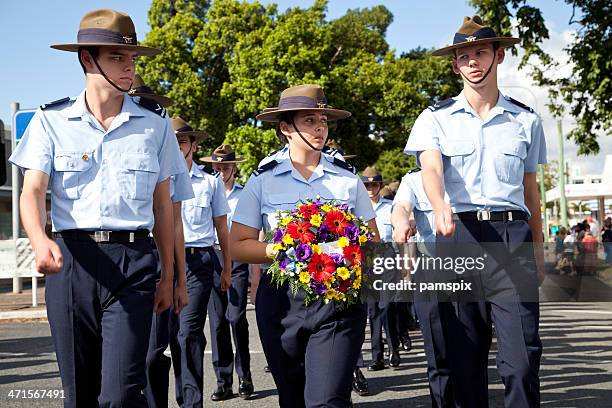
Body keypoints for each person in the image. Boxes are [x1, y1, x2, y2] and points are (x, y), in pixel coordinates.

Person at [9, 9, 187, 406]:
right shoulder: (50, 120)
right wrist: (39, 241)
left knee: (122, 394)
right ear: (87, 59)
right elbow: (32, 191)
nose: (129, 67)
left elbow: (164, 208)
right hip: (73, 262)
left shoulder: (154, 126)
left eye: (133, 58)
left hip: (134, 262)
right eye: (117, 58)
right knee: (80, 393)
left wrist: (170, 278)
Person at [404, 15, 546, 407]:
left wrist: (538, 248)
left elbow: (531, 191)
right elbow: (430, 168)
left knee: (521, 360)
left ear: (498, 56)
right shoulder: (434, 118)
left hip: (512, 238)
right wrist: (439, 204)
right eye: (463, 56)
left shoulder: (526, 120)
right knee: (464, 359)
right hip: (458, 237)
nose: (472, 62)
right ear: (454, 65)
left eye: (480, 52)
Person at [230, 84, 379, 407]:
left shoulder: (346, 178)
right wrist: (286, 250)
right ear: (286, 128)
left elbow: (372, 241)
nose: (320, 127)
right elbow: (238, 244)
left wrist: (347, 256)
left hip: (338, 299)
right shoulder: (263, 179)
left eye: (323, 120)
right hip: (282, 299)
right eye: (309, 120)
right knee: (292, 397)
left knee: (327, 400)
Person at [128, 75, 193, 408]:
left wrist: (179, 280)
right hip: (120, 261)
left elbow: (176, 224)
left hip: (157, 264)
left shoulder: (169, 159)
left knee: (153, 352)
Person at [168, 117, 232, 407]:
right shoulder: (156, 176)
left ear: (193, 144)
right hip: (161, 262)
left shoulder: (210, 182)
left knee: (188, 332)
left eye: (182, 140)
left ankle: (192, 402)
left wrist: (227, 266)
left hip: (197, 263)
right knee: (166, 337)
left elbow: (222, 227)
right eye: (173, 140)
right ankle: (181, 396)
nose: (177, 145)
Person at [391, 169, 454, 407]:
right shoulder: (413, 179)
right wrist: (400, 224)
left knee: (471, 344)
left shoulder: (469, 172)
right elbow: (401, 207)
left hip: (468, 265)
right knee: (436, 345)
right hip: (430, 265)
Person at [200, 144, 254, 400]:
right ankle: (224, 381)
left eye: (226, 167)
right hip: (212, 256)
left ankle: (245, 375)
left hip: (238, 258)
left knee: (236, 317)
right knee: (218, 321)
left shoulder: (244, 195)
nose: (222, 171)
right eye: (218, 167)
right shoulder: (204, 190)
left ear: (234, 168)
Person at [361, 166, 402, 371]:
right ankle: (377, 356)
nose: (370, 188)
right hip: (367, 259)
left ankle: (394, 347)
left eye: (374, 184)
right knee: (373, 309)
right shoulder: (358, 209)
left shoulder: (390, 207)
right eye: (366, 185)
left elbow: (398, 235)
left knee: (387, 307)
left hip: (388, 257)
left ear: (381, 186)